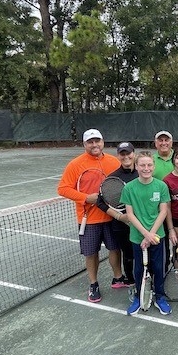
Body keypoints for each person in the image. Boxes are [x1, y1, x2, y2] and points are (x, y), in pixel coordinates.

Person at [57, 128, 124, 303]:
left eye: (97, 141)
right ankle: (93, 284)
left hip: (111, 215)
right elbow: (63, 189)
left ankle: (118, 277)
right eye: (90, 142)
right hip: (89, 219)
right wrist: (86, 198)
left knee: (115, 248)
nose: (94, 145)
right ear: (85, 144)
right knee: (91, 253)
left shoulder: (113, 161)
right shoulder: (75, 164)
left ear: (102, 142)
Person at [120, 151, 172, 316]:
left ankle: (160, 297)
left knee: (158, 267)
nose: (146, 168)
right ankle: (138, 296)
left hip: (158, 236)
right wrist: (145, 235)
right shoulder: (129, 188)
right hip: (137, 237)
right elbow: (130, 214)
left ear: (153, 166)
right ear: (136, 166)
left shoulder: (161, 186)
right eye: (142, 165)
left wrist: (151, 235)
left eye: (149, 165)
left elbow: (163, 211)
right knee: (138, 270)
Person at [96, 141, 138, 289]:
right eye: (123, 154)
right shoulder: (112, 178)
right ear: (118, 156)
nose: (126, 157)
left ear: (134, 154)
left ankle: (146, 283)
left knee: (145, 256)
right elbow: (100, 202)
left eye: (129, 153)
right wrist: (121, 217)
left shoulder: (143, 173)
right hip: (122, 227)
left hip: (144, 225)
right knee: (128, 255)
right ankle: (132, 282)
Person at [153, 130, 175, 271]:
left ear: (171, 142)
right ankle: (164, 268)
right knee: (162, 242)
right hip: (158, 210)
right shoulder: (151, 160)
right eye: (160, 140)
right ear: (156, 143)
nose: (163, 143)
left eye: (166, 140)